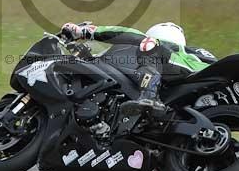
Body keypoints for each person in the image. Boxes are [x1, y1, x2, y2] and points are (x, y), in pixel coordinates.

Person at [60, 22, 217, 111]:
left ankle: (149, 96)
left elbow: (124, 32)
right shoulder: (195, 53)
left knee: (149, 44)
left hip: (192, 76)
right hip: (189, 93)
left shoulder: (157, 45)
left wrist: (85, 32)